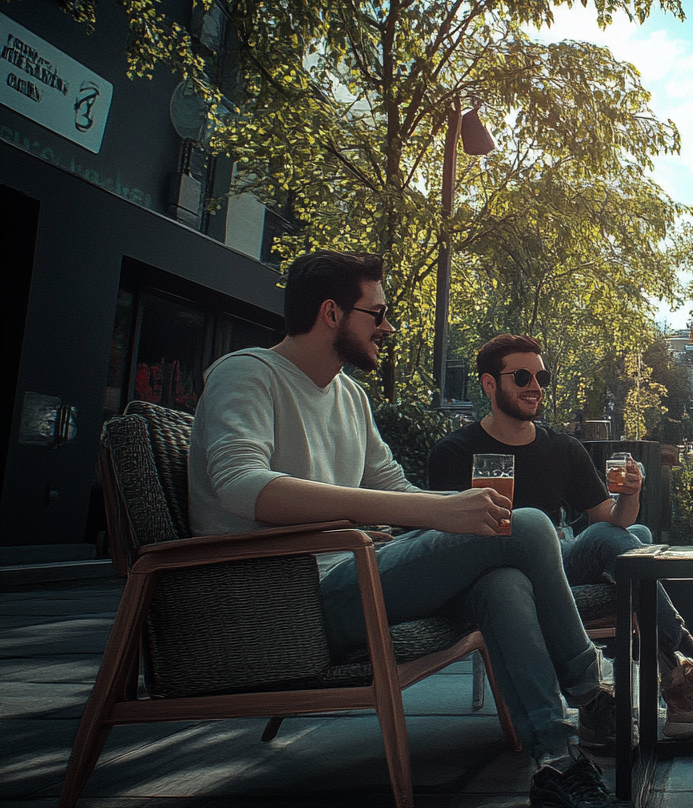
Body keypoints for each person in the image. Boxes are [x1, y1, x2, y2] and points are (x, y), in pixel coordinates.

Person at [188, 251, 628, 808]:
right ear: (331, 313)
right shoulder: (247, 373)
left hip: (358, 569)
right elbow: (240, 485)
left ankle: (556, 760)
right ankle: (591, 692)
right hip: (292, 595)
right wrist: (434, 514)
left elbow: (396, 492)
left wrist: (454, 507)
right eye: (378, 313)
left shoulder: (349, 395)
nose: (389, 327)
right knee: (532, 524)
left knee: (503, 581)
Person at [427, 333, 693, 740]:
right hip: (497, 571)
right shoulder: (454, 452)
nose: (535, 387)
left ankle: (686, 670)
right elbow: (445, 543)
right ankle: (688, 676)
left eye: (541, 376)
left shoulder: (562, 448)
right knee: (631, 543)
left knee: (624, 536)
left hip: (559, 560)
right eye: (522, 376)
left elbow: (612, 520)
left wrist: (630, 495)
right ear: (490, 384)